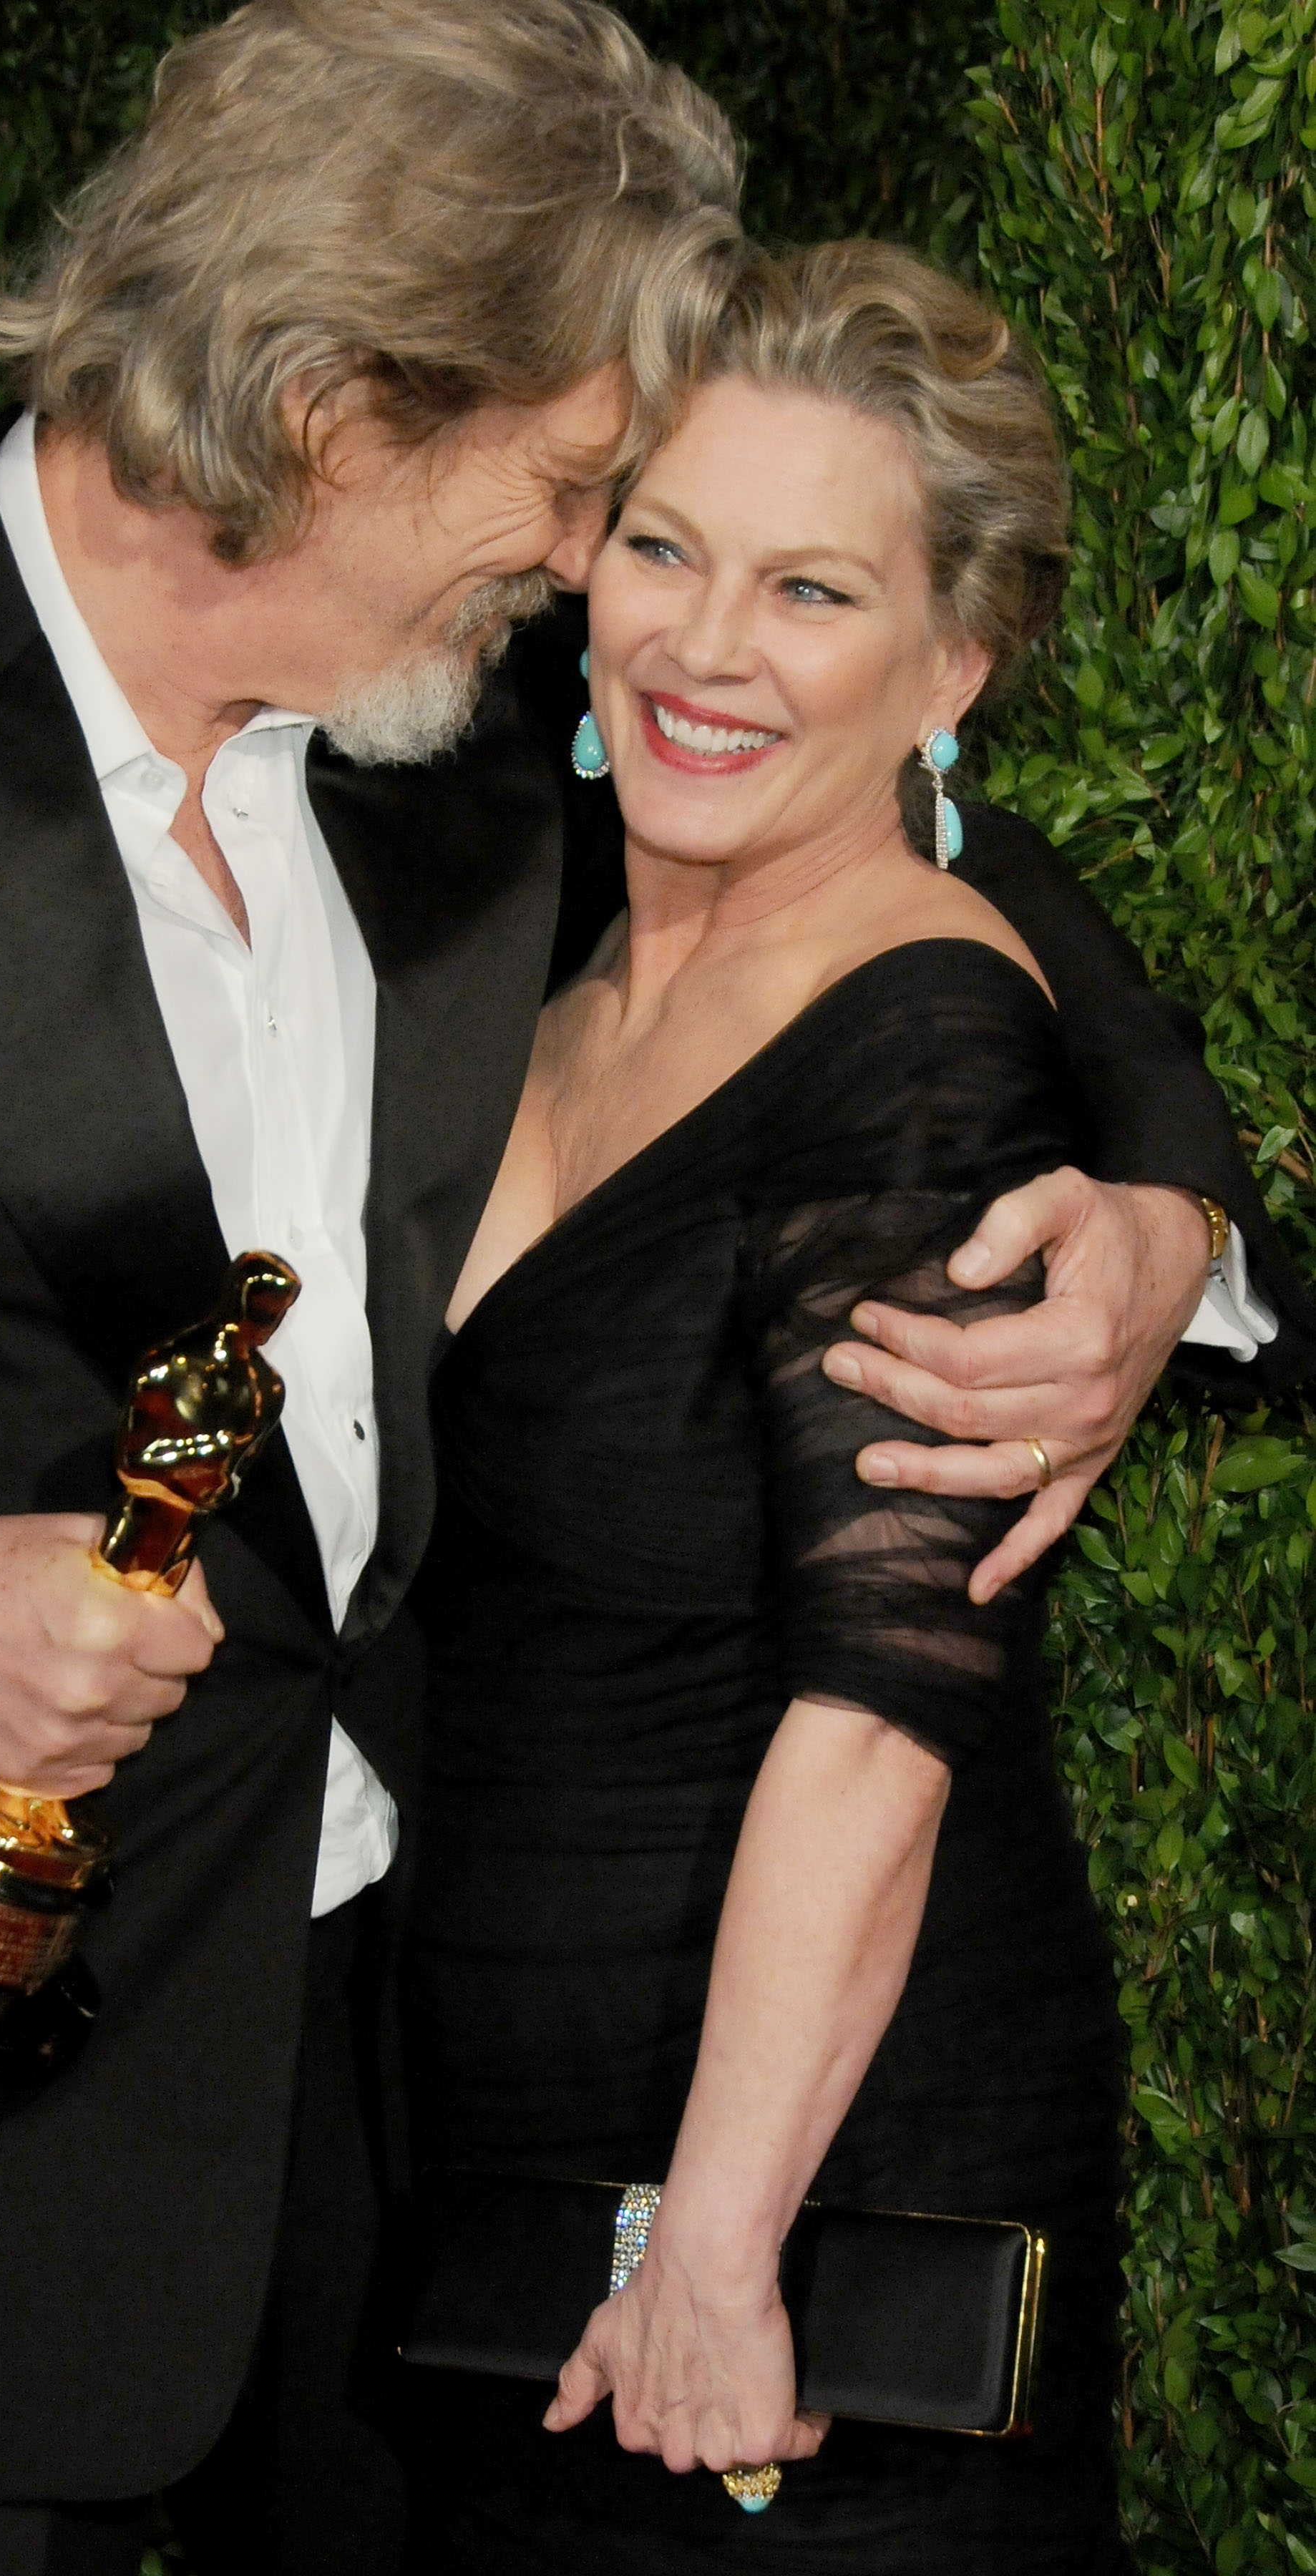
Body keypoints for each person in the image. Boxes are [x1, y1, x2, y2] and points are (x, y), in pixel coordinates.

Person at [0, 6, 1301, 2572]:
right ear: (336, 406)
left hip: (416, 2180)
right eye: (579, 492)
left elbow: (933, 849)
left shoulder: (444, 730)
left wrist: (1168, 1223)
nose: (592, 574)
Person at [400, 240, 1314, 2575]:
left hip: (808, 2192)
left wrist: (712, 2239)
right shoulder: (534, 951)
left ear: (953, 663)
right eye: (664, 547)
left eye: (810, 588)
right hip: (493, 2159)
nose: (703, 648)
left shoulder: (910, 1031)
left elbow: (885, 1700)